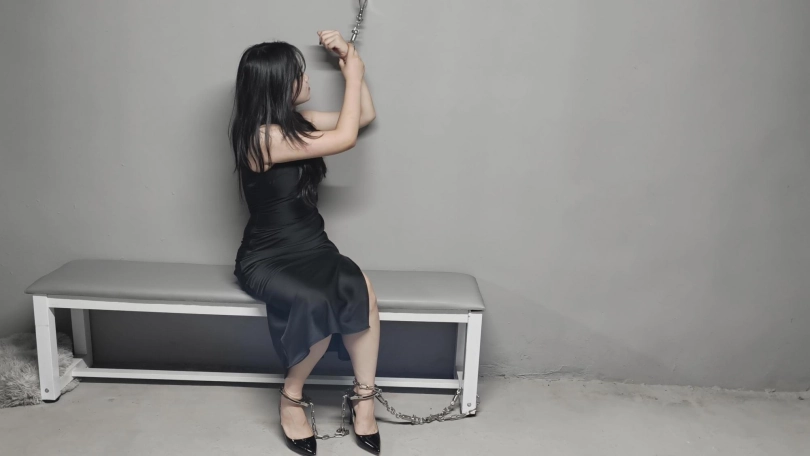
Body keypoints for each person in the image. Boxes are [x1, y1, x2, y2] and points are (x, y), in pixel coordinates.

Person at [229, 30, 379, 455]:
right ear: (278, 84)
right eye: (299, 74)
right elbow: (345, 139)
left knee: (361, 288)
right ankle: (291, 395)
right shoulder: (261, 139)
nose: (307, 78)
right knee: (316, 301)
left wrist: (350, 61)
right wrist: (354, 73)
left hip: (313, 246)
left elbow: (363, 116)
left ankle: (364, 398)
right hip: (268, 257)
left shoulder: (300, 124)